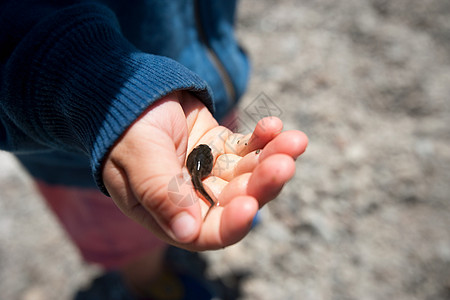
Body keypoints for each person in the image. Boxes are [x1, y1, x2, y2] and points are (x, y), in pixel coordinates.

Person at [0, 1, 308, 299]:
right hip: (81, 157)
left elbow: (201, 155)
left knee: (208, 177)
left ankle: (219, 207)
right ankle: (145, 280)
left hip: (202, 105)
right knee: (135, 232)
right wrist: (100, 91)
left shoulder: (201, 148)